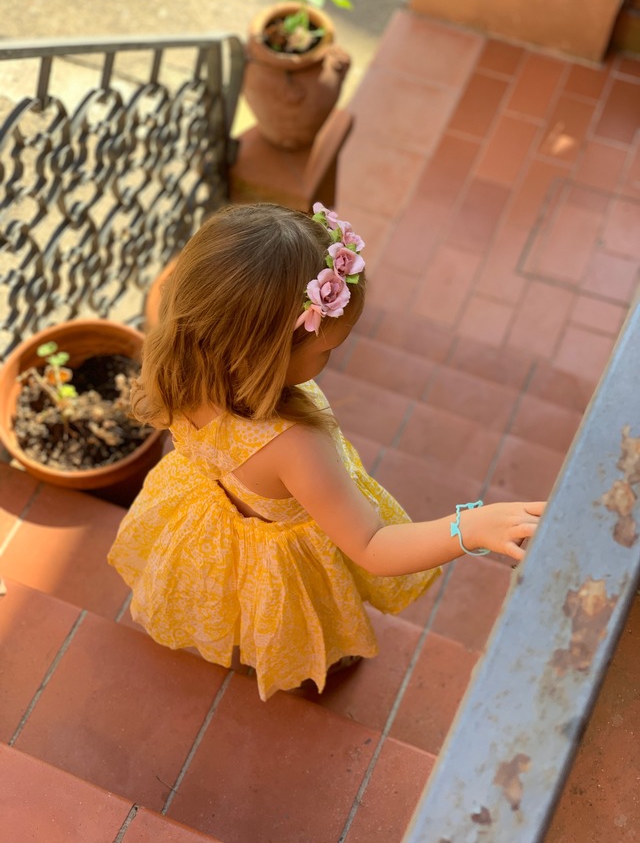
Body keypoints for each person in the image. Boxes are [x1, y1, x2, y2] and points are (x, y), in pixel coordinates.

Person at [108, 202, 545, 701]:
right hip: (288, 555)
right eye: (324, 351)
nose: (331, 358)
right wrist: (468, 528)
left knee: (238, 605)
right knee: (297, 617)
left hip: (212, 524)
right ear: (261, 356)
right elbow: (372, 544)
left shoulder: (182, 355)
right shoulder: (294, 444)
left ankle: (253, 651)